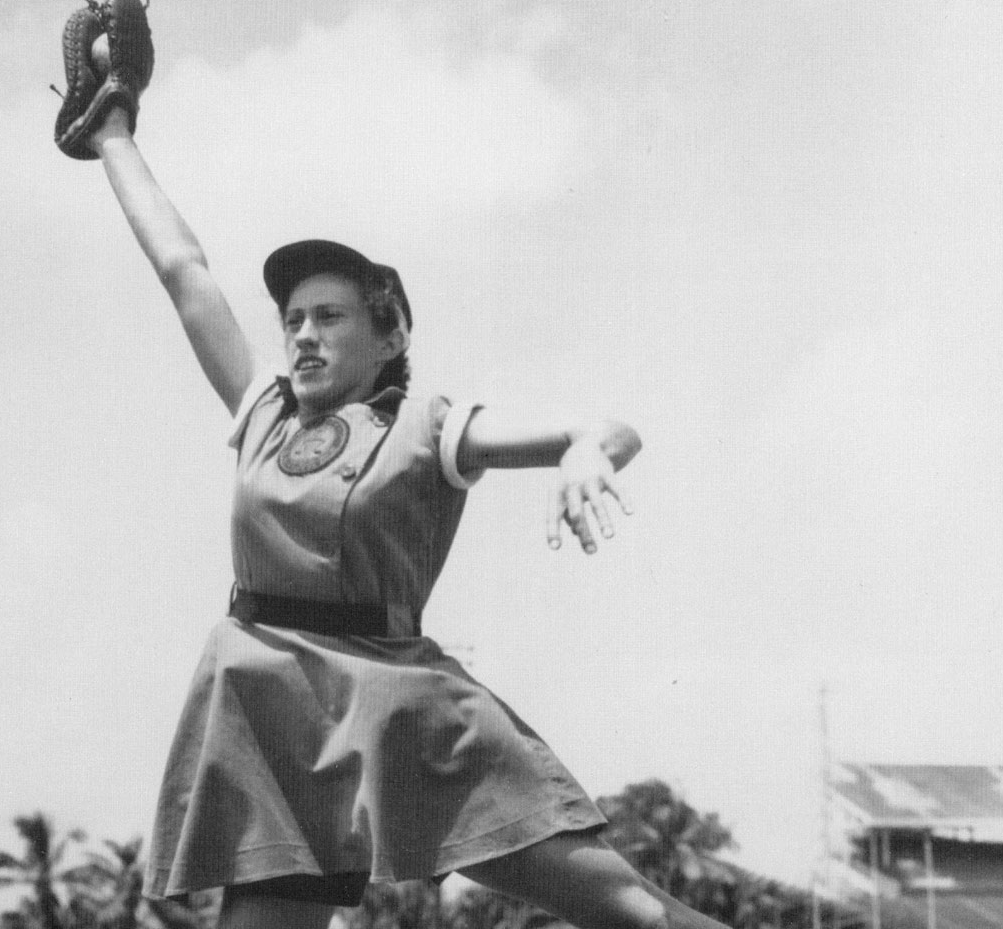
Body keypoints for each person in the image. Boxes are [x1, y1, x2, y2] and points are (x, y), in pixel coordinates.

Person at [81, 92, 726, 929]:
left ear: (386, 338)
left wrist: (588, 452)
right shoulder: (264, 412)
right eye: (292, 320)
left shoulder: (425, 426)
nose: (303, 334)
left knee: (632, 911)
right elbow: (184, 270)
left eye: (329, 316)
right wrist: (114, 137)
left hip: (400, 704)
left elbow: (599, 426)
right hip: (267, 710)